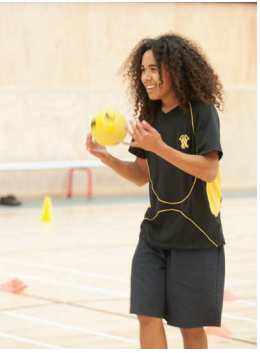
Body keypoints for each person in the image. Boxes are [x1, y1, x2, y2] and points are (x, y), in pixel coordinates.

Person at [86, 33, 225, 349]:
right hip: (154, 235)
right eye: (143, 70)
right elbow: (140, 176)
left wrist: (159, 147)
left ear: (176, 70)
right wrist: (106, 157)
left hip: (197, 236)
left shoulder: (201, 112)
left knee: (190, 328)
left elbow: (208, 169)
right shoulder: (149, 116)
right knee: (147, 316)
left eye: (154, 69)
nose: (146, 77)